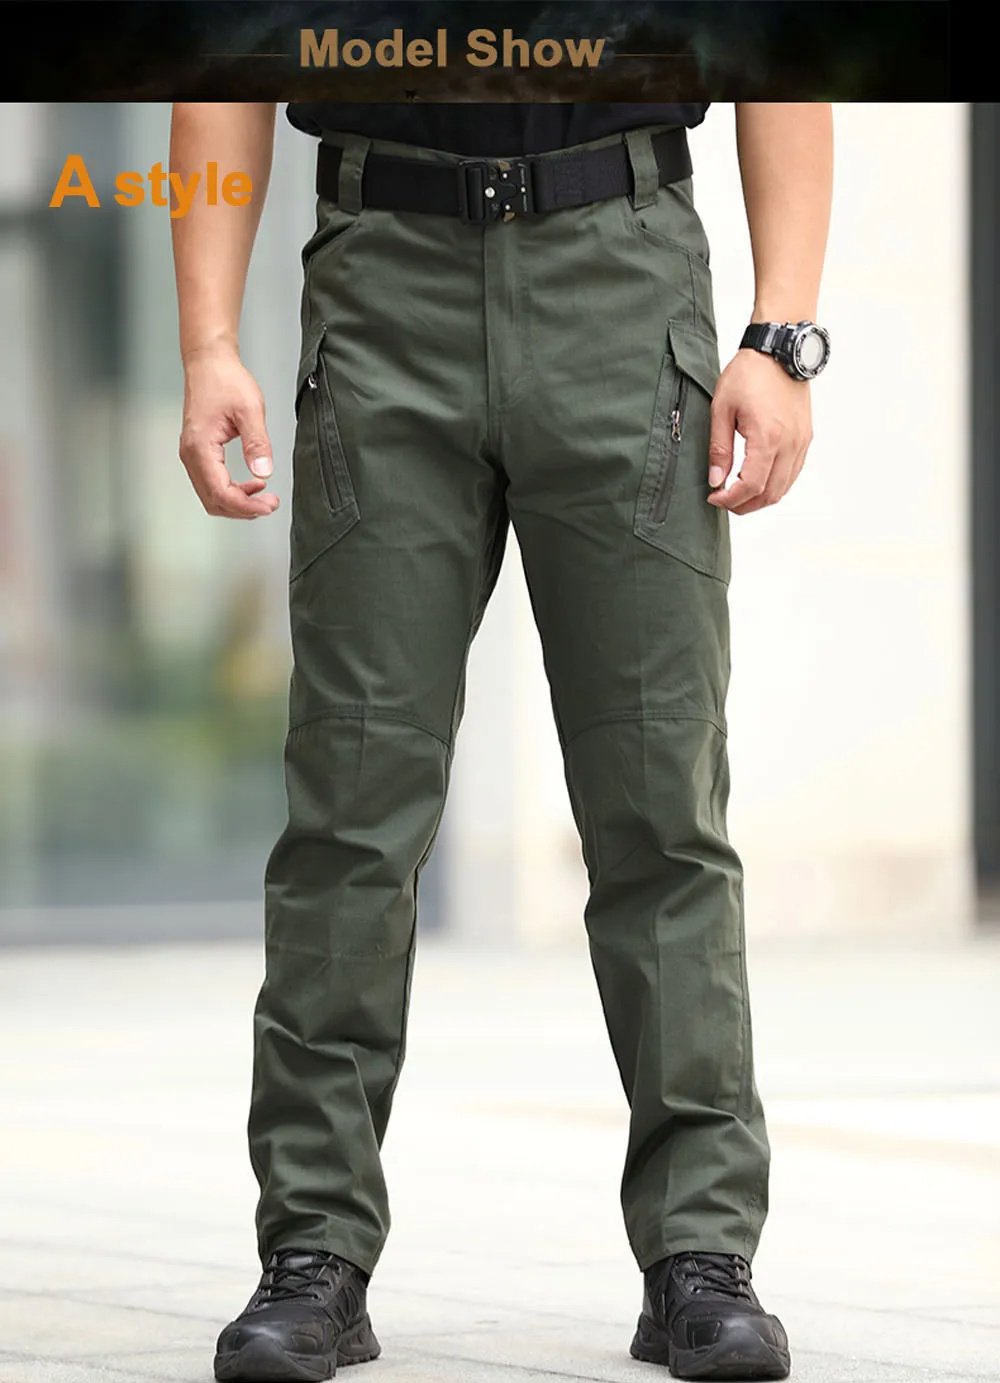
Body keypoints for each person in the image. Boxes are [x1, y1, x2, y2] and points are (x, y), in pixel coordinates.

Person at [170, 99, 832, 1383]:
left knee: (658, 810)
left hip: (620, 279)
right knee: (351, 811)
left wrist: (780, 335)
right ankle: (313, 1252)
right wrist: (208, 342)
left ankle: (701, 1253)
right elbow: (225, 76)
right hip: (384, 283)